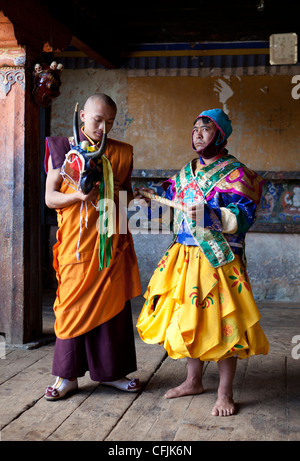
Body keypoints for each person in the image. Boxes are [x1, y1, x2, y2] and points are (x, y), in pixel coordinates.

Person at [136, 108, 269, 416]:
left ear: (219, 136)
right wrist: (149, 203)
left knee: (223, 324)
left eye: (205, 129)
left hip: (218, 258)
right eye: (194, 128)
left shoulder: (237, 173)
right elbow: (171, 211)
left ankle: (225, 393)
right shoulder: (185, 173)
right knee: (189, 320)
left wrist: (212, 216)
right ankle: (193, 380)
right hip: (184, 256)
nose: (197, 133)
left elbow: (245, 216)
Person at [44, 93, 141, 400]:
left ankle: (112, 374)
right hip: (75, 243)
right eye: (98, 120)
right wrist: (77, 197)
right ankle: (67, 376)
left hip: (108, 241)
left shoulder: (121, 153)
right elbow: (51, 198)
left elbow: (123, 198)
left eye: (109, 122)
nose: (103, 127)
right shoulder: (61, 150)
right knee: (71, 306)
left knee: (112, 307)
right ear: (82, 115)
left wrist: (135, 201)